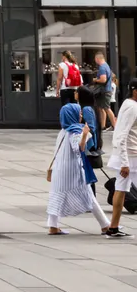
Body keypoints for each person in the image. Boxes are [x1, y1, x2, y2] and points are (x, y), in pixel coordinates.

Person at [47, 99, 111, 234]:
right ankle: (105, 225)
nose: (81, 115)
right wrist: (85, 134)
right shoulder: (76, 130)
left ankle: (53, 226)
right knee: (88, 196)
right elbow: (79, 148)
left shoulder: (63, 131)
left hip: (60, 169)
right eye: (79, 113)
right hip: (72, 170)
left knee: (57, 196)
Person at [106, 76, 137, 238]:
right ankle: (113, 227)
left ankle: (113, 227)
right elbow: (122, 135)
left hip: (127, 155)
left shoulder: (127, 104)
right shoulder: (132, 107)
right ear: (134, 91)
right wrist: (125, 162)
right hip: (131, 156)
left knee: (121, 189)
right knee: (120, 189)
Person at [93, 52, 114, 131]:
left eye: (95, 59)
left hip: (104, 91)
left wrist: (95, 80)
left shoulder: (102, 67)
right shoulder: (106, 66)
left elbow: (103, 79)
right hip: (106, 90)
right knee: (102, 108)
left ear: (97, 59)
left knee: (107, 108)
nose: (95, 61)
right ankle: (103, 126)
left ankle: (114, 125)